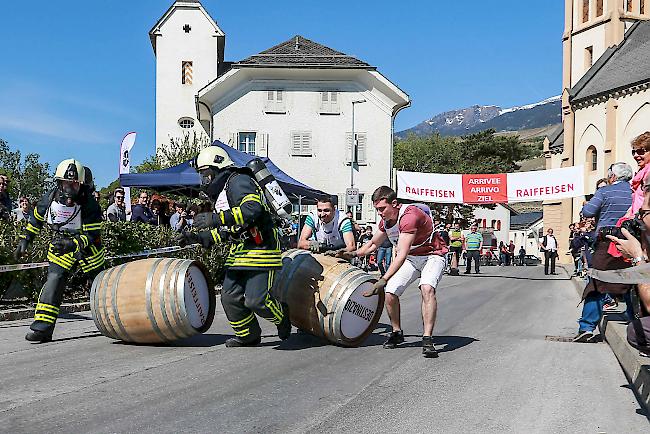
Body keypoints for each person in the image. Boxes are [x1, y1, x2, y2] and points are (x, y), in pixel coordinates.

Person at [176, 147, 290, 347]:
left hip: (261, 248)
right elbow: (229, 230)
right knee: (229, 297)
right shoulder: (224, 191)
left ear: (218, 169)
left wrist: (216, 218)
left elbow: (252, 209)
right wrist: (196, 237)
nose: (204, 180)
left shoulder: (239, 181)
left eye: (206, 174)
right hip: (240, 251)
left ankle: (282, 316)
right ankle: (249, 336)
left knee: (257, 301)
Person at [333, 186, 447, 357]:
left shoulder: (409, 217)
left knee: (427, 289)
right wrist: (351, 253)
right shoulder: (385, 221)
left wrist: (383, 278)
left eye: (382, 209)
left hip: (432, 255)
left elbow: (400, 254)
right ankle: (396, 332)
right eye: (377, 209)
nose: (379, 213)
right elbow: (372, 244)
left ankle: (427, 339)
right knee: (390, 293)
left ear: (394, 204)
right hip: (412, 257)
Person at [13, 159, 104, 342]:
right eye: (66, 183)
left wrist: (75, 244)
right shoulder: (49, 198)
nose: (70, 188)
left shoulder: (89, 203)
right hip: (61, 246)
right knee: (53, 282)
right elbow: (36, 220)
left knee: (100, 287)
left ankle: (118, 322)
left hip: (89, 251)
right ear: (59, 183)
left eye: (75, 184)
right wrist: (26, 239)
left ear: (81, 184)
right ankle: (42, 329)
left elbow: (93, 234)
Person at [573, 162, 634, 342]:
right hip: (632, 241)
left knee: (598, 283)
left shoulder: (605, 191)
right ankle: (633, 318)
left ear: (612, 176)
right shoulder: (635, 191)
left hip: (607, 241)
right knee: (632, 281)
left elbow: (588, 211)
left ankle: (587, 327)